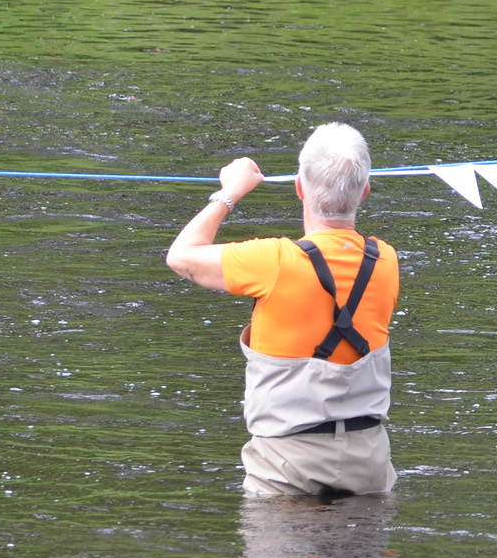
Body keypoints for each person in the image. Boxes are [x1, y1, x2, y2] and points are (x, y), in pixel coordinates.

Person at [165, 122, 401, 496]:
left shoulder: (275, 260)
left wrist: (229, 194)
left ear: (298, 188)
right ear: (365, 192)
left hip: (287, 464)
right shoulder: (386, 258)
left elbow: (181, 257)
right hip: (369, 460)